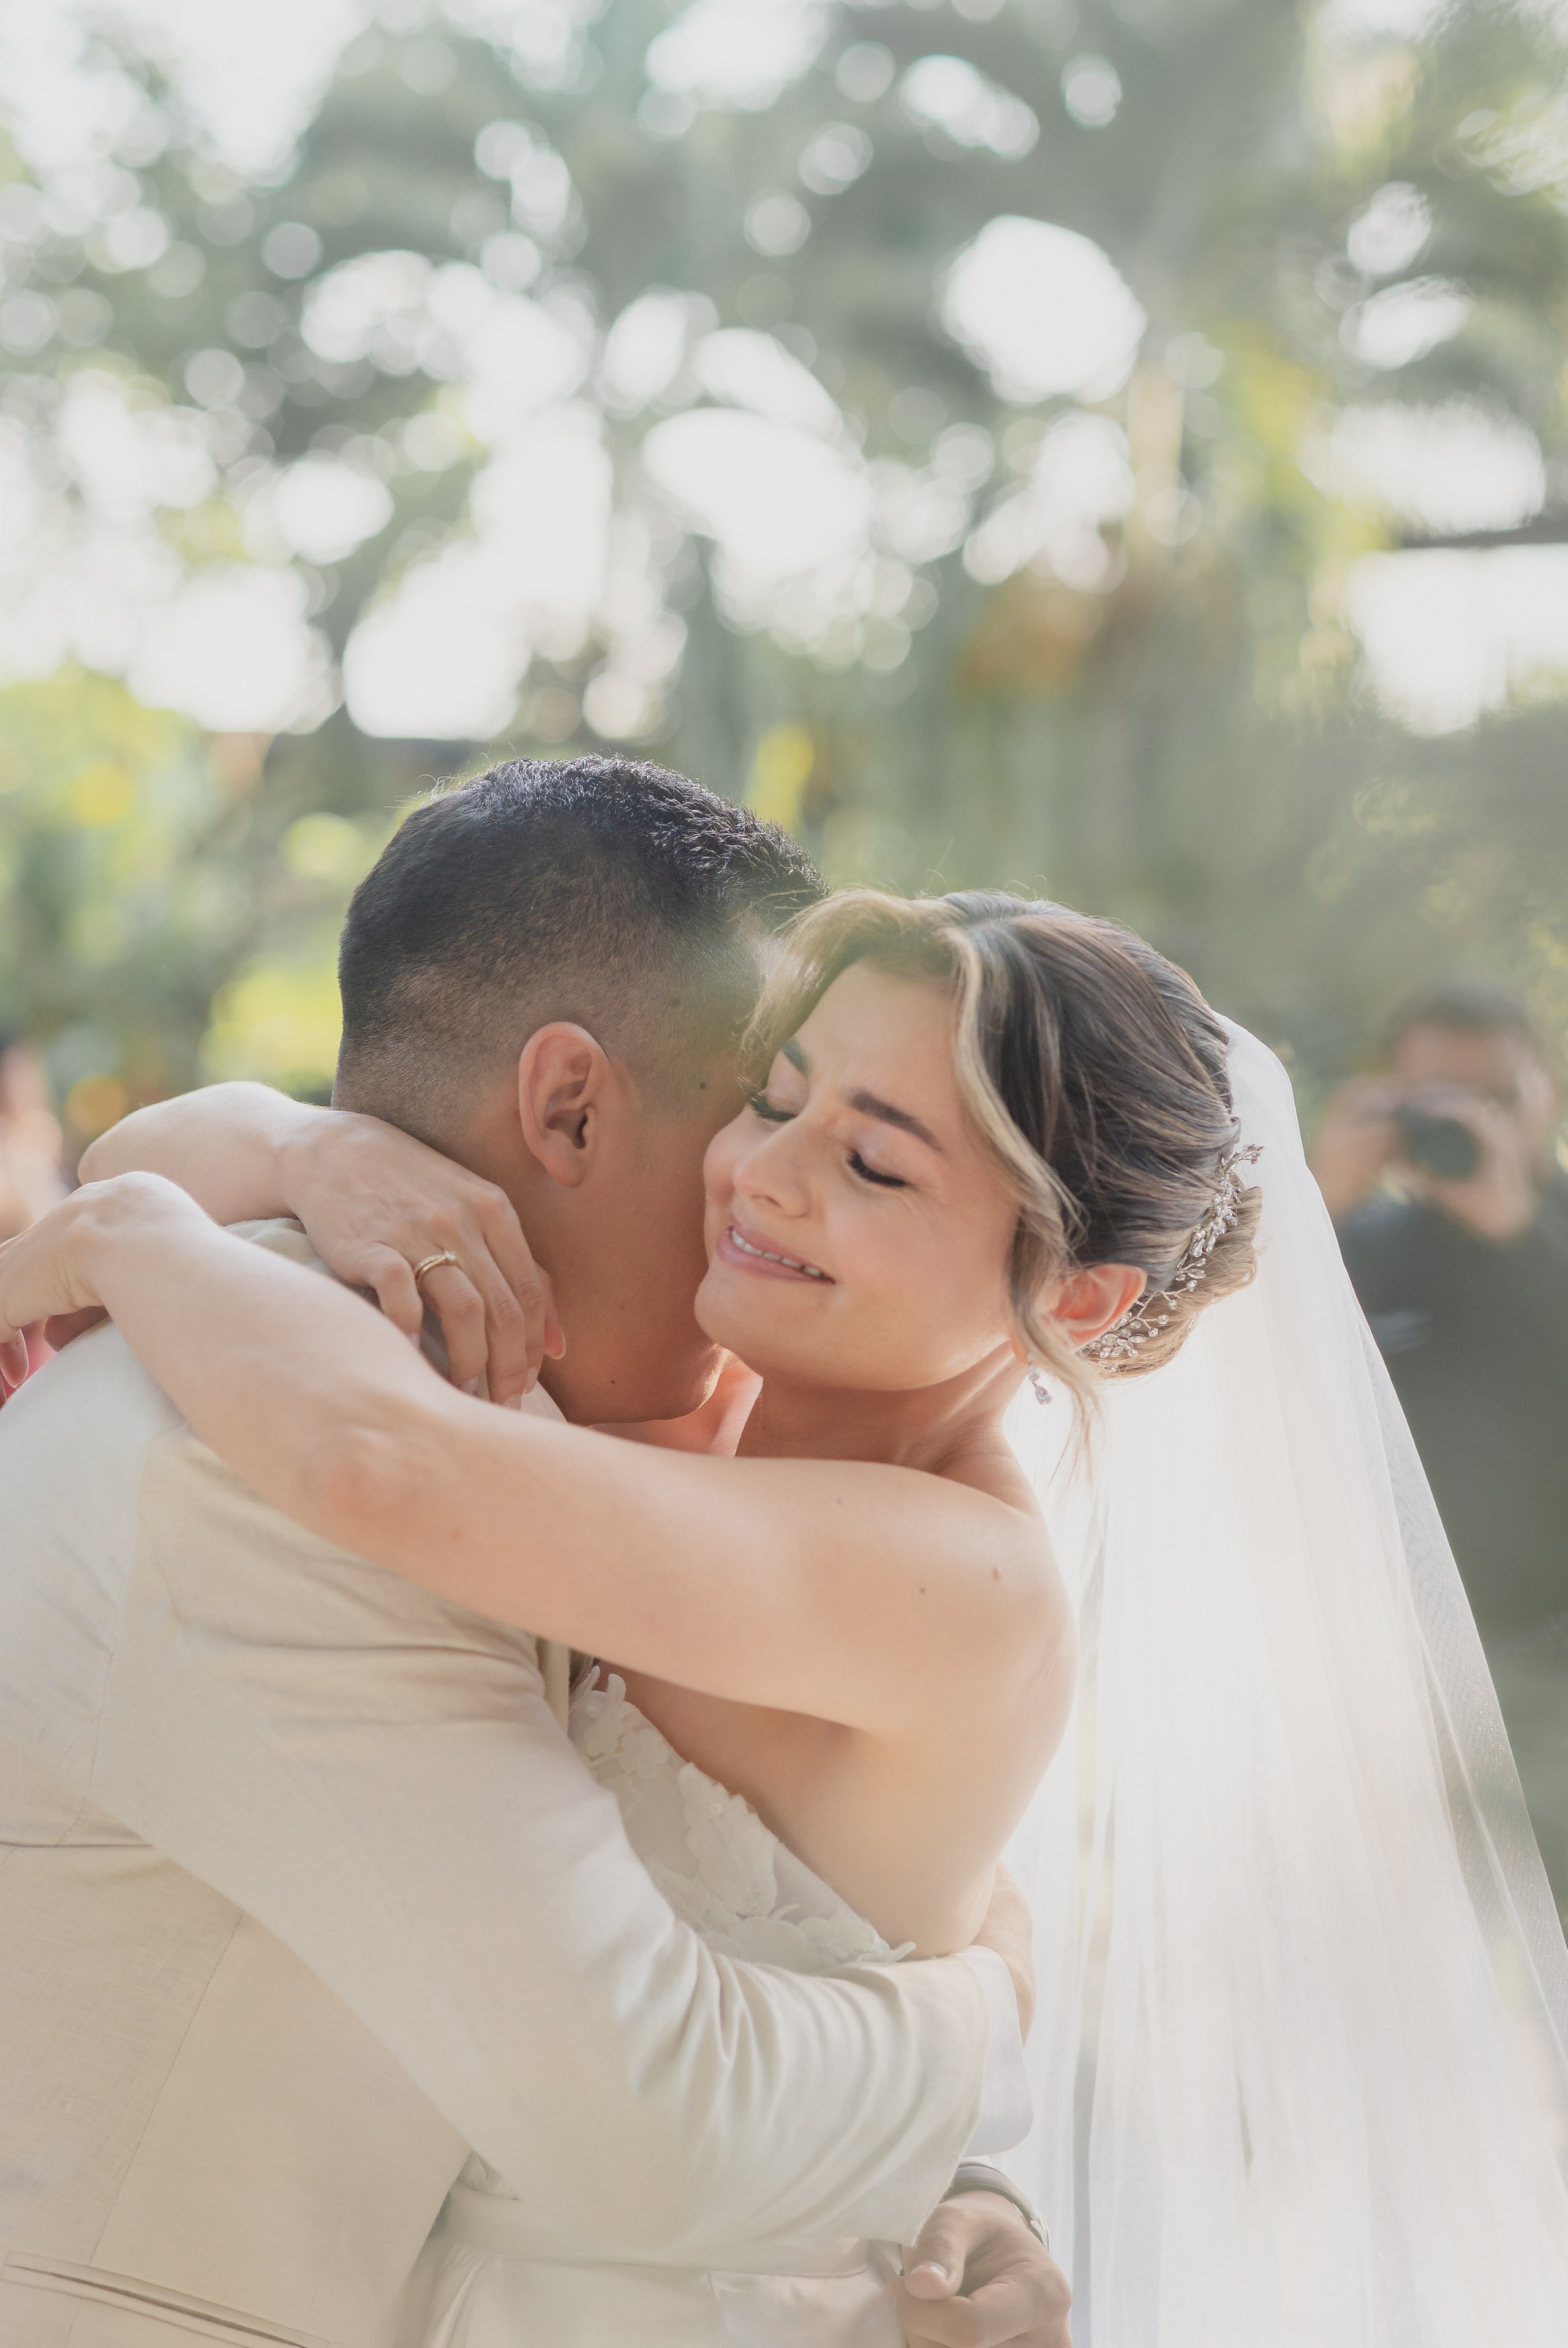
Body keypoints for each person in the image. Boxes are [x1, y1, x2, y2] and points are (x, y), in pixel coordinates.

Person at [15, 885, 1568, 2347]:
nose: (764, 1172)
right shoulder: (709, 1423)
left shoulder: (959, 1579)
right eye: (776, 1098)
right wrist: (303, 1145)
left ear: (1075, 1298)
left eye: (875, 1165)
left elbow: (376, 1463)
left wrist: (130, 1232)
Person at [0, 764, 1066, 2348]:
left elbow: (757, 1882)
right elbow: (653, 2121)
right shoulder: (265, 1459)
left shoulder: (531, 1440)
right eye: (762, 1100)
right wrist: (988, 2020)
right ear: (568, 1106)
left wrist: (951, 2187)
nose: (759, 1186)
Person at [1311, 979, 1568, 1906]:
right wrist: (1315, 1201)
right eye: (1434, 1097)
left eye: (1493, 1096)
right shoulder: (1357, 1244)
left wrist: (1514, 1227)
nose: (1465, 1121)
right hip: (1388, 1674)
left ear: (1547, 1095)